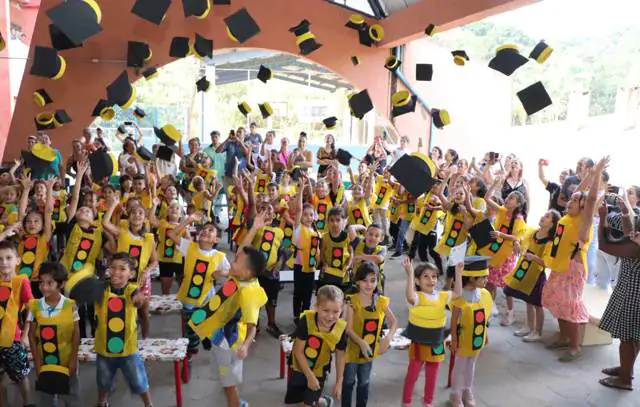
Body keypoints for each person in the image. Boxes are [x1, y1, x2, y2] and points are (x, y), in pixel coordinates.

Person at [542, 156, 606, 362]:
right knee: (558, 301)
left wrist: (596, 176)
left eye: (575, 201)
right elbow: (579, 190)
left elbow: (591, 197)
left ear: (584, 206)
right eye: (570, 200)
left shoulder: (584, 221)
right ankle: (563, 336)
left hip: (573, 267)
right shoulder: (567, 217)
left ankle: (575, 345)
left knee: (570, 305)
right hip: (559, 265)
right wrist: (590, 174)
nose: (570, 201)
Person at [186, 246, 268, 407]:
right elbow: (243, 255)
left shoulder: (249, 292)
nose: (232, 261)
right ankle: (236, 399)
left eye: (236, 260)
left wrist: (245, 346)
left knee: (227, 380)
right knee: (227, 377)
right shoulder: (240, 277)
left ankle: (235, 403)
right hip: (218, 335)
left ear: (246, 272)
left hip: (229, 342)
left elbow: (252, 325)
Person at [94, 253, 154, 407]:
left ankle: (149, 404)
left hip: (128, 350)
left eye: (122, 269)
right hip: (104, 349)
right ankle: (102, 403)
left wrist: (139, 300)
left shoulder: (131, 290)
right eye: (113, 268)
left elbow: (138, 300)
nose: (116, 272)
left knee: (139, 381)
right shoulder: (101, 289)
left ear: (131, 273)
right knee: (103, 381)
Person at [402, 259, 461, 407]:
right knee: (412, 374)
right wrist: (409, 274)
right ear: (417, 280)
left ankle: (428, 401)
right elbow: (410, 296)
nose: (431, 280)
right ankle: (406, 401)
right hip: (418, 343)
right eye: (426, 276)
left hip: (437, 342)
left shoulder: (442, 296)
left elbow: (458, 293)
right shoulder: (416, 297)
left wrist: (458, 274)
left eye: (434, 276)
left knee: (433, 374)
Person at [342, 261, 397, 407]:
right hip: (352, 351)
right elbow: (349, 329)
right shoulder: (351, 301)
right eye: (364, 280)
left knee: (364, 382)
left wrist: (388, 338)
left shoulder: (381, 302)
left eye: (372, 280)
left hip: (370, 352)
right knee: (348, 381)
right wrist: (360, 342)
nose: (368, 284)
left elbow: (394, 322)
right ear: (358, 281)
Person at [27, 262, 81, 407]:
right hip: (45, 361)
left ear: (61, 284)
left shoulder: (71, 305)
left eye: (49, 283)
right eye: (41, 283)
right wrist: (37, 360)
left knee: (70, 395)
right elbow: (31, 335)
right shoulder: (34, 306)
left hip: (66, 359)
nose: (44, 287)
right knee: (46, 397)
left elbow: (76, 334)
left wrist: (73, 360)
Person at [503, 209, 561, 342]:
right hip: (524, 272)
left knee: (537, 304)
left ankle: (538, 331)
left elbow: (547, 263)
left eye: (547, 217)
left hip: (536, 276)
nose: (542, 217)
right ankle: (528, 326)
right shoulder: (533, 233)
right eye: (544, 214)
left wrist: (534, 258)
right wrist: (517, 243)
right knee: (528, 301)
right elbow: (521, 238)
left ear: (552, 224)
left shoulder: (549, 243)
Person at [285, 285, 346, 407]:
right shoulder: (306, 321)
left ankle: (315, 400)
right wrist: (309, 376)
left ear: (342, 310)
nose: (330, 317)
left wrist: (339, 381)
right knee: (300, 402)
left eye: (336, 312)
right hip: (298, 367)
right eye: (325, 311)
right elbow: (298, 352)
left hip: (319, 371)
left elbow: (340, 356)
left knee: (308, 403)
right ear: (317, 307)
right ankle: (322, 402)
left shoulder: (341, 329)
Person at [479, 176, 527, 326]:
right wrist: (494, 184)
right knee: (490, 283)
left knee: (507, 287)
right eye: (508, 196)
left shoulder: (518, 218)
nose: (508, 199)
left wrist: (501, 235)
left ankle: (510, 312)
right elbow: (486, 198)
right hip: (494, 252)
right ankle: (488, 308)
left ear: (518, 204)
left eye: (512, 198)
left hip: (506, 256)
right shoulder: (502, 210)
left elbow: (516, 237)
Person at [449, 256, 493, 407]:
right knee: (459, 366)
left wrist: (485, 334)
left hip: (477, 339)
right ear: (471, 278)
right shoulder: (460, 297)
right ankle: (455, 394)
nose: (486, 280)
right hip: (463, 339)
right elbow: (454, 320)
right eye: (483, 278)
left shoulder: (485, 294)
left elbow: (485, 318)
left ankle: (467, 390)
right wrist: (454, 339)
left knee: (471, 364)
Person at [0, 240, 36, 407]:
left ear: (17, 260)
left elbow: (32, 307)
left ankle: (28, 404)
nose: (4, 262)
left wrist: (26, 334)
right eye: (0, 259)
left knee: (21, 375)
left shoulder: (21, 281)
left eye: (8, 258)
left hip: (13, 340)